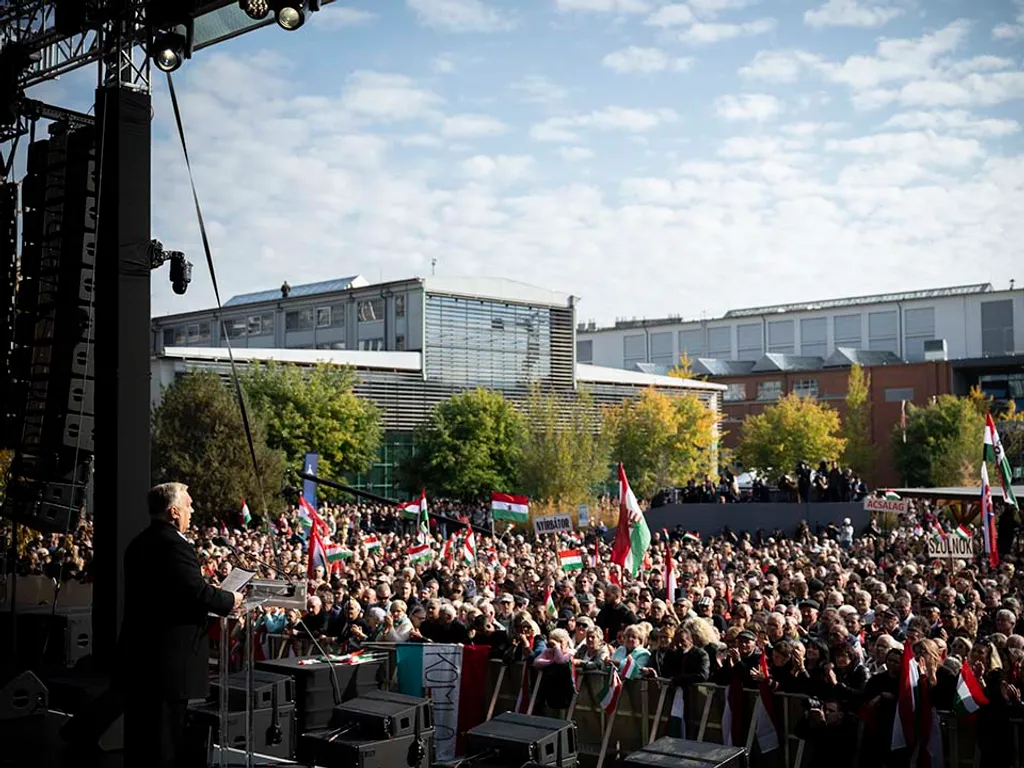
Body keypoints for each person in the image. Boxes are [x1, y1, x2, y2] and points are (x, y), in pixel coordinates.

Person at [117, 482, 243, 768]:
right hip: (166, 664)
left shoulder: (139, 541)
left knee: (140, 738)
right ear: (174, 512)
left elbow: (172, 591)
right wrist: (230, 598)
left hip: (141, 656)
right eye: (188, 505)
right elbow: (195, 592)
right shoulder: (173, 544)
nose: (193, 510)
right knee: (163, 741)